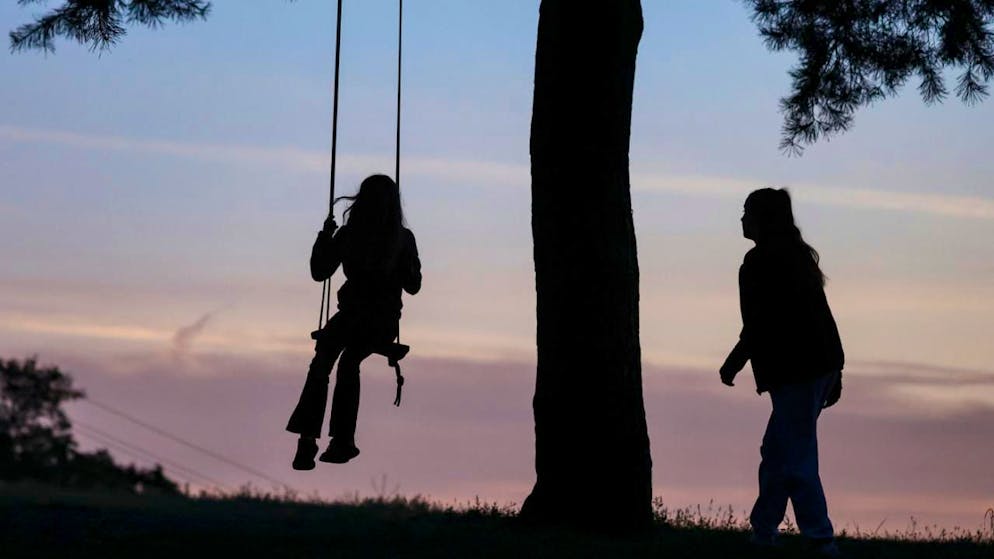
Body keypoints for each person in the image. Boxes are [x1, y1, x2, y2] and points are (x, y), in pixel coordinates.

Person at [720, 188, 844, 557]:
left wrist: (735, 361)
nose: (742, 218)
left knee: (795, 457)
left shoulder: (760, 263)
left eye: (747, 212)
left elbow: (760, 322)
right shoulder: (795, 258)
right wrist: (836, 370)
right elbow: (821, 316)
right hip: (815, 367)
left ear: (762, 219)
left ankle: (820, 539)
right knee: (778, 451)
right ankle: (764, 531)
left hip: (796, 371)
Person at [287, 174, 421, 468]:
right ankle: (341, 441)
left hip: (354, 316)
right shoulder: (400, 237)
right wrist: (404, 264)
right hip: (379, 320)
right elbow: (413, 286)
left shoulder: (351, 235)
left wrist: (325, 237)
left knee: (322, 364)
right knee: (346, 363)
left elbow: (320, 271)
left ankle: (309, 439)